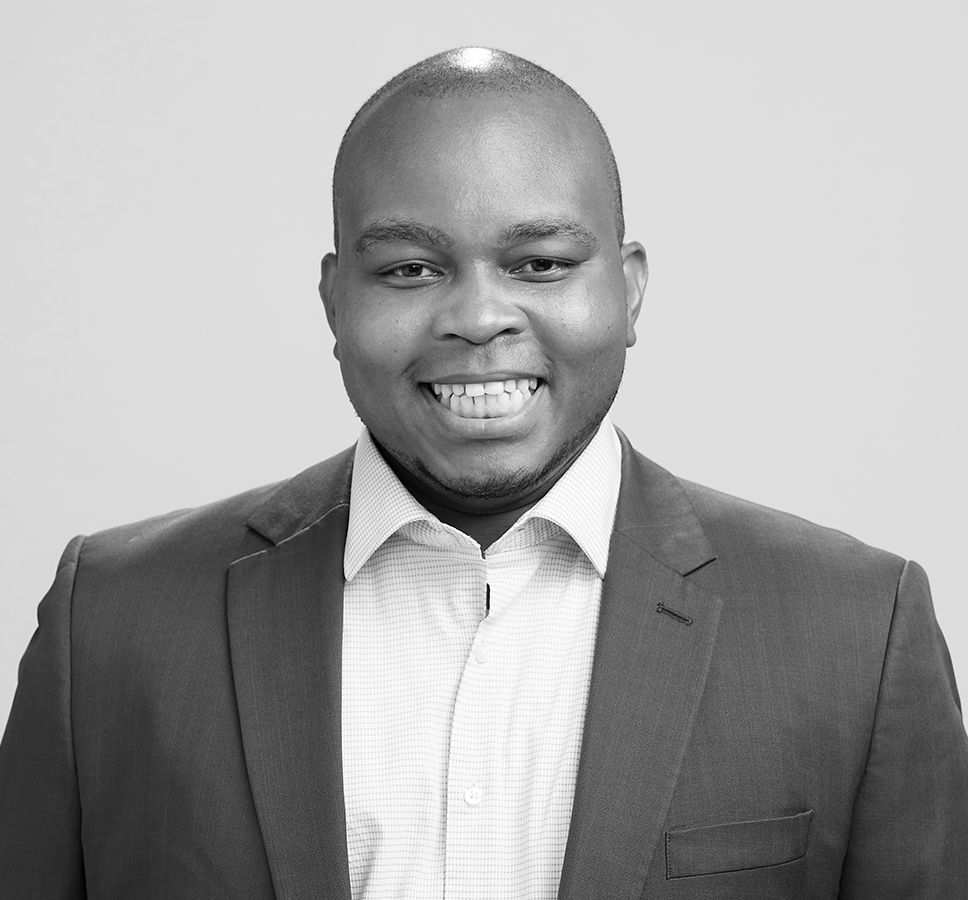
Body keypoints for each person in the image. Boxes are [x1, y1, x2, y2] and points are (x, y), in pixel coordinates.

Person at [1, 47, 965, 900]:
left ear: (629, 288)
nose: (476, 317)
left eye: (539, 263)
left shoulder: (857, 633)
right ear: (334, 301)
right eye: (410, 270)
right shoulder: (113, 623)